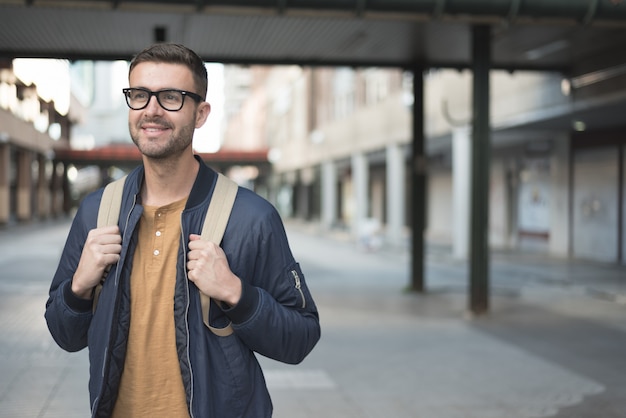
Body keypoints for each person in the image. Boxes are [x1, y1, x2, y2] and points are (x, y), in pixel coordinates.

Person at [45, 43, 321, 418]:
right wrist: (78, 287)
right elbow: (65, 335)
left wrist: (236, 294)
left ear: (201, 113)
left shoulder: (251, 217)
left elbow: (300, 338)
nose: (152, 110)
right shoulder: (98, 211)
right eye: (139, 95)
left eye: (171, 97)